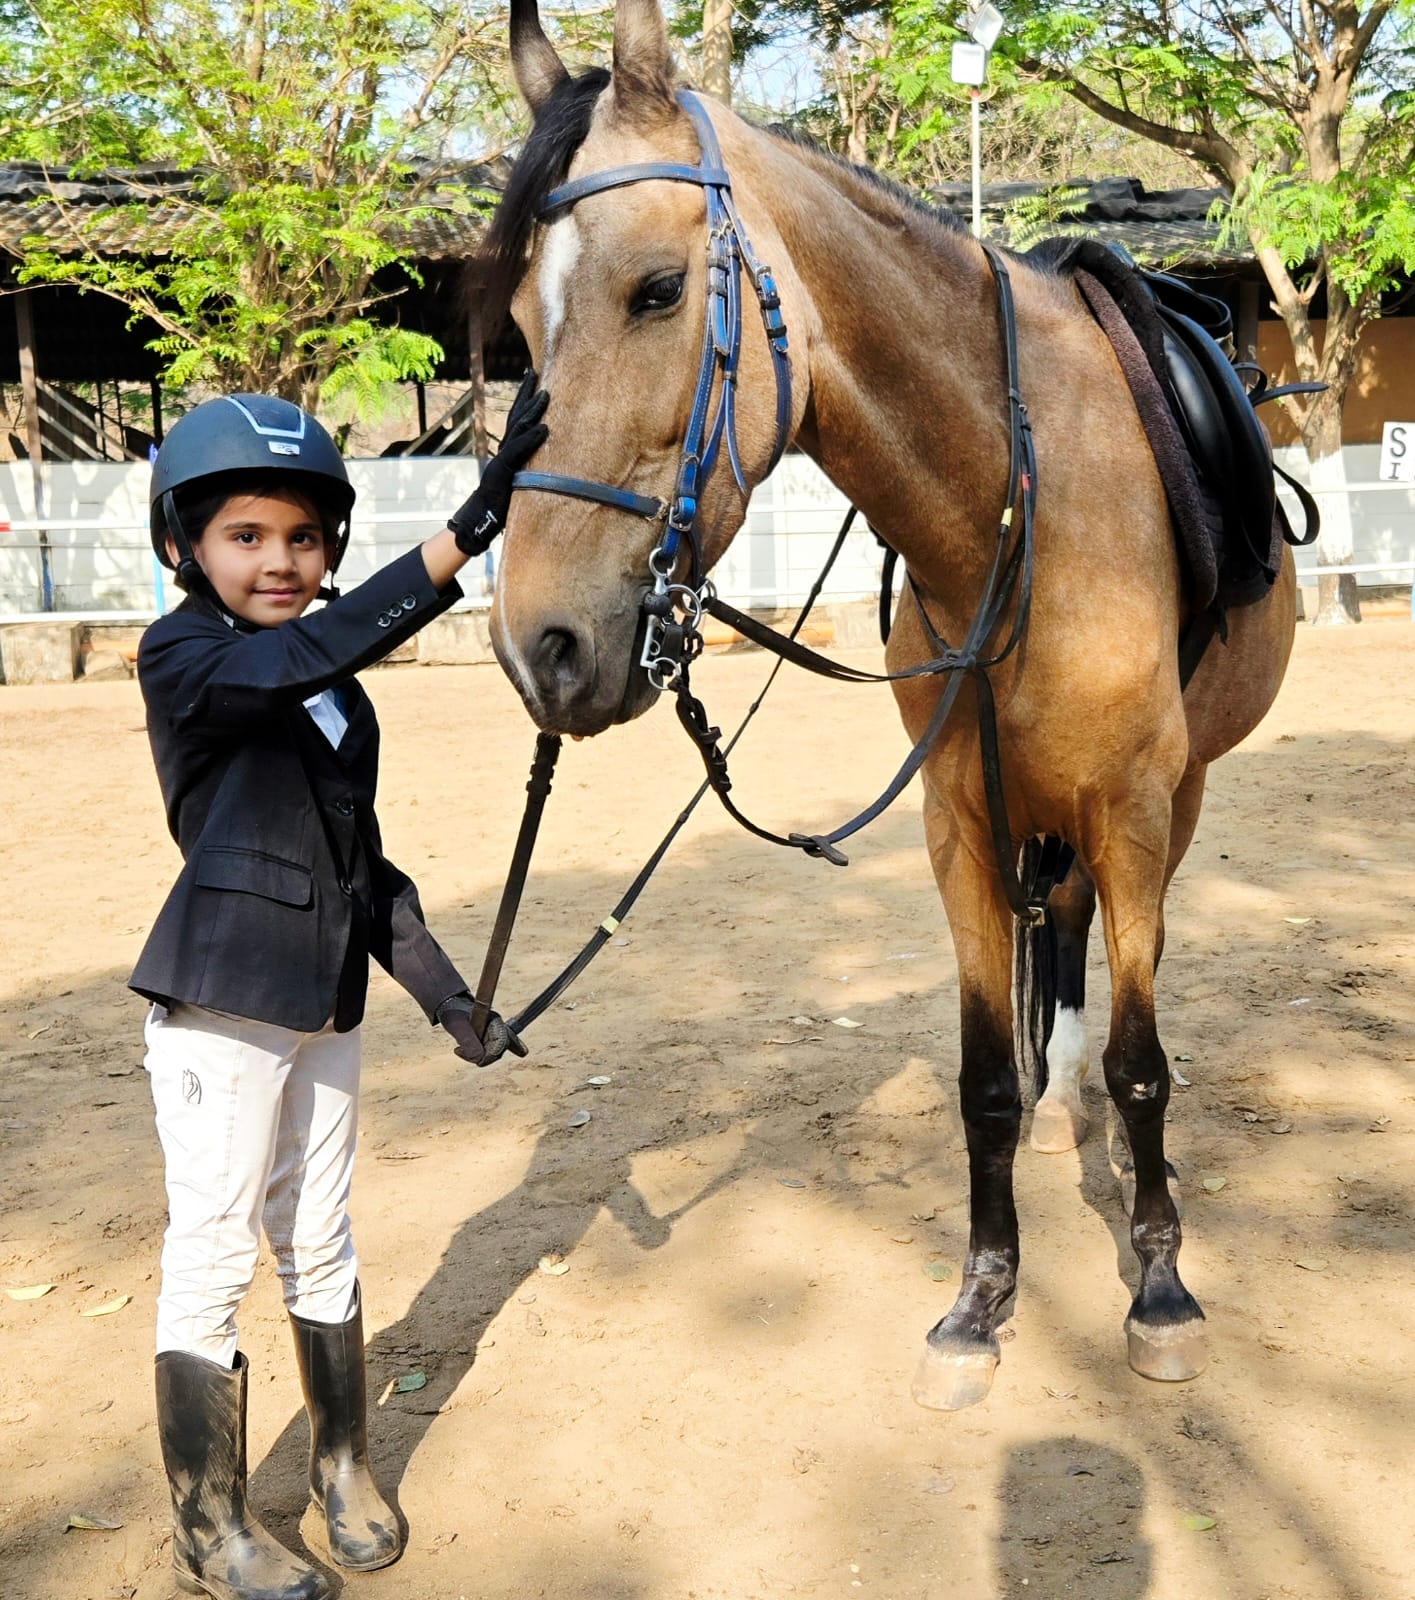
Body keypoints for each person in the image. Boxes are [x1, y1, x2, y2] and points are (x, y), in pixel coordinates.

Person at [129, 379, 547, 1600]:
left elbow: (366, 872)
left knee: (320, 1234)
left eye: (304, 536)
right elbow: (305, 648)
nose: (280, 559)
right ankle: (209, 1530)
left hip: (323, 1004)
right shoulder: (184, 655)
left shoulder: (336, 697)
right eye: (245, 535)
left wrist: (449, 999)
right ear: (183, 546)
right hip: (222, 1003)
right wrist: (470, 529)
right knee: (214, 1251)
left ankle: (342, 1463)